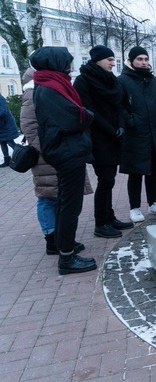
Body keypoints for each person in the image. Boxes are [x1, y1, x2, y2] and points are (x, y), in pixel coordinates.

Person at [30, 47, 97, 275]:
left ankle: (63, 245)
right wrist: (88, 114)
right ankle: (67, 258)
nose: (71, 66)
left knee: (65, 202)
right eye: (68, 62)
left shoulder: (51, 84)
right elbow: (74, 117)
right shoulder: (50, 89)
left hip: (65, 151)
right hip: (66, 153)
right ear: (57, 63)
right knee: (70, 205)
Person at [20, 66, 88, 256]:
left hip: (58, 150)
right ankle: (51, 239)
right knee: (47, 196)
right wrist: (50, 150)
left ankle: (62, 238)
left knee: (60, 196)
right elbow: (29, 126)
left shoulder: (52, 87)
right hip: (48, 154)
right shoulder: (33, 90)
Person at [74, 45, 134, 238]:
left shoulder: (111, 80)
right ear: (97, 60)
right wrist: (111, 129)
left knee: (109, 179)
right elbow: (88, 110)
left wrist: (121, 126)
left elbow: (119, 106)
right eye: (109, 59)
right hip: (99, 138)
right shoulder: (83, 81)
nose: (112, 62)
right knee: (105, 180)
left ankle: (109, 217)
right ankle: (101, 223)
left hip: (115, 136)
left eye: (113, 59)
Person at [118, 46, 156, 223]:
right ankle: (134, 208)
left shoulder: (154, 81)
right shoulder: (123, 81)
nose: (144, 62)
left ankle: (153, 203)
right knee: (136, 172)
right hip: (135, 135)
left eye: (146, 59)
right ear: (131, 61)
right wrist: (131, 121)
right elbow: (120, 107)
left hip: (154, 134)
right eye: (140, 59)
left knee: (152, 171)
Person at [0, 92, 19, 167]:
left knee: (10, 142)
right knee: (2, 142)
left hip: (6, 125)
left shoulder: (0, 98)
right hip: (1, 126)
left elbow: (3, 111)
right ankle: (7, 160)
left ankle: (21, 156)